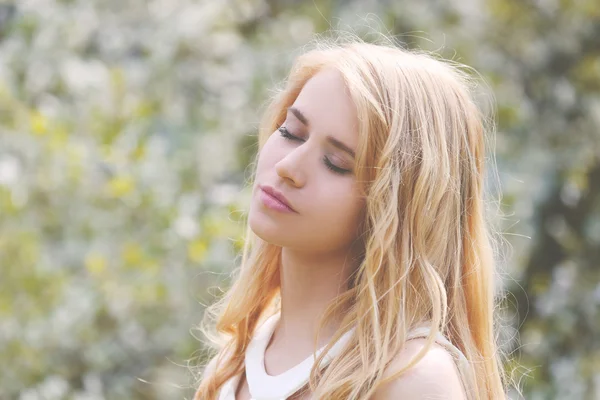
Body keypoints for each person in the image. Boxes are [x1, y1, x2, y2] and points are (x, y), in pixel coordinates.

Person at [193, 32, 508, 400]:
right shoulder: (234, 362)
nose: (288, 166)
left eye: (336, 163)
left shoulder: (412, 379)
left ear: (397, 206)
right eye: (291, 132)